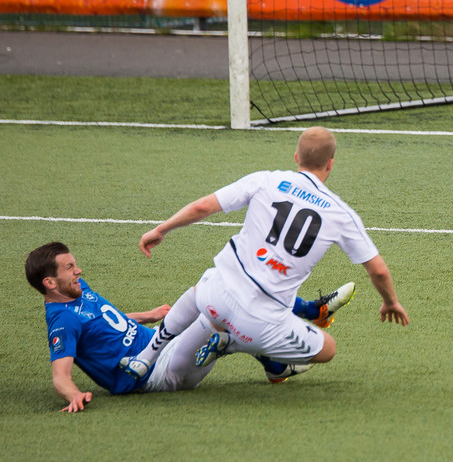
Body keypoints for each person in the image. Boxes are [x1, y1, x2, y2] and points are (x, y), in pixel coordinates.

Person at [119, 126, 409, 379]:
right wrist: (390, 302)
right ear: (331, 164)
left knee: (202, 287)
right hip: (260, 325)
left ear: (296, 157)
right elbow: (378, 270)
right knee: (328, 349)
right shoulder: (340, 213)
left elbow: (202, 207)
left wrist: (161, 229)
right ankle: (233, 344)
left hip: (213, 297)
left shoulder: (265, 180)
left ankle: (145, 357)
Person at [25, 242, 216, 412]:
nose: (78, 271)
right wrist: (74, 395)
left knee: (212, 280)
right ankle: (227, 341)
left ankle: (227, 341)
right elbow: (60, 377)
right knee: (216, 311)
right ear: (50, 282)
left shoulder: (76, 288)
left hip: (159, 340)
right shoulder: (63, 320)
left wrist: (149, 315)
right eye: (70, 268)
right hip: (159, 371)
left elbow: (106, 322)